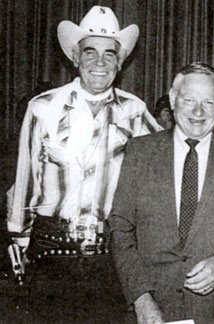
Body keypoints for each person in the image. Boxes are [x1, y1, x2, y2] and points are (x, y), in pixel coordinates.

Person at [6, 5, 163, 322]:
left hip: (109, 262)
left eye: (110, 54)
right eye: (90, 52)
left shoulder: (134, 111)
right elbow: (26, 184)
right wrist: (19, 245)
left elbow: (172, 156)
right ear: (75, 57)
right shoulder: (43, 108)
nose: (100, 63)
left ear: (120, 62)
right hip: (51, 259)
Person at [109, 62, 214, 324]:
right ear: (172, 99)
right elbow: (120, 228)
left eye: (208, 102)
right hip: (152, 310)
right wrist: (141, 299)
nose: (198, 111)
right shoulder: (139, 152)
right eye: (189, 99)